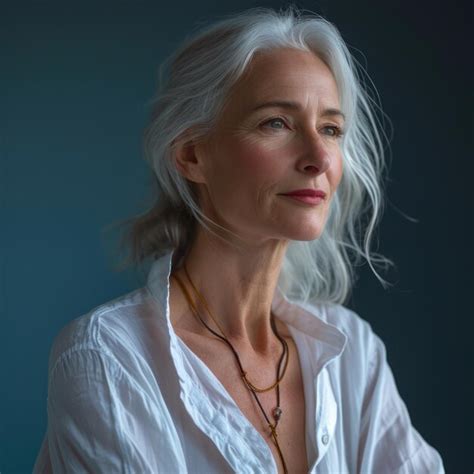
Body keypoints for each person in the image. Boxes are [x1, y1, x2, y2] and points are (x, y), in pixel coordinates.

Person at [33, 6, 445, 473]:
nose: (318, 157)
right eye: (277, 123)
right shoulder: (108, 357)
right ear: (192, 155)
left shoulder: (354, 353)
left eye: (330, 129)